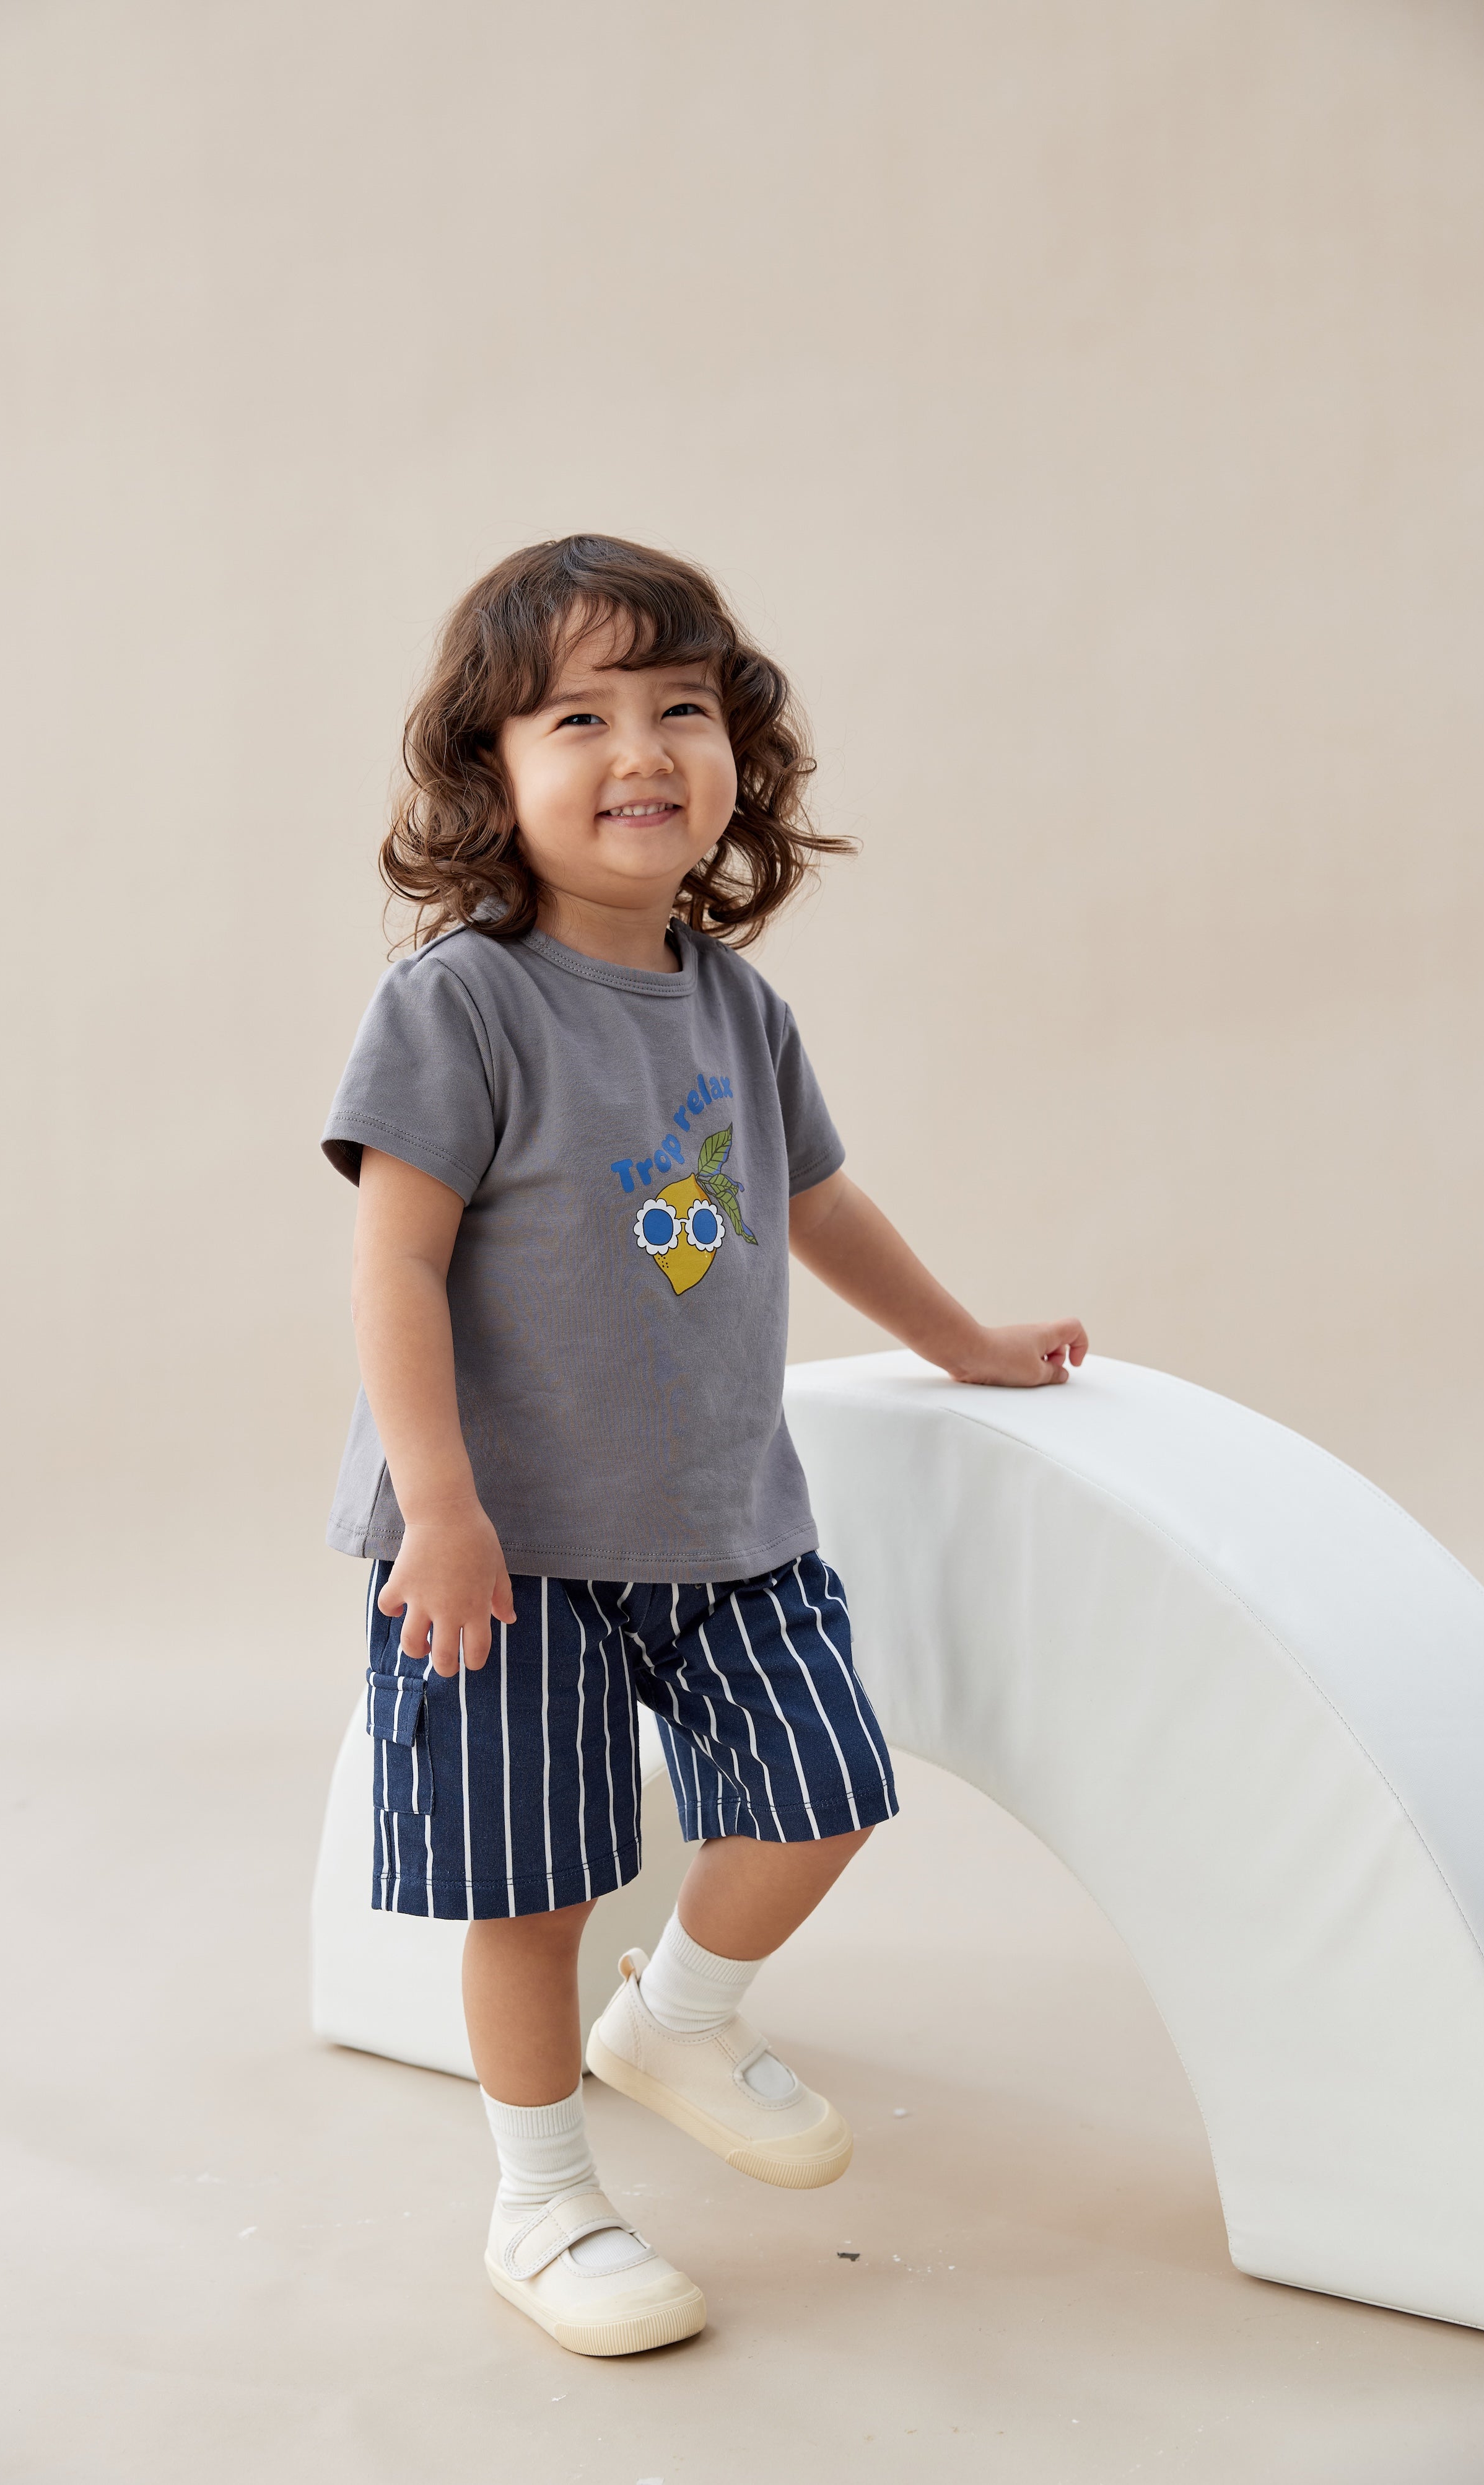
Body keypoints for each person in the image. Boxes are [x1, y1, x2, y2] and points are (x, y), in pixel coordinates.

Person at [321, 535, 1087, 2357]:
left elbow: (812, 1203)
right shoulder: (460, 1004)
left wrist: (964, 1340)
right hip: (503, 1541)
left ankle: (673, 2017)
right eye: (576, 716)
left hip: (726, 1518)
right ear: (490, 778)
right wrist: (438, 1505)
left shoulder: (736, 1006)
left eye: (679, 706)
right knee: (537, 1882)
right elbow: (396, 1262)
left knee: (821, 1787)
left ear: (739, 751)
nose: (638, 747)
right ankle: (545, 2197)